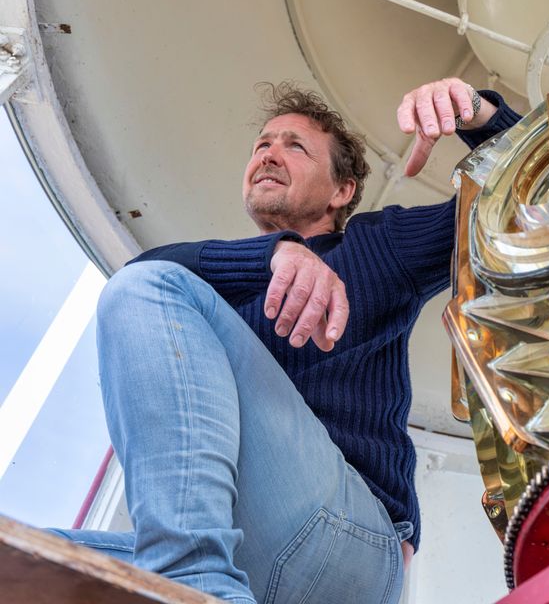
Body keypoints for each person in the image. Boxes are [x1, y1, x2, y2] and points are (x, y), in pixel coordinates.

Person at [50, 78, 520, 604]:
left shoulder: (376, 246)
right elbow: (142, 271)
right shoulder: (209, 293)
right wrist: (274, 253)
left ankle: (192, 584)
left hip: (344, 538)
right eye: (263, 144)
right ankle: (196, 579)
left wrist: (480, 114)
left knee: (145, 287)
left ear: (342, 192)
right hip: (234, 545)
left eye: (296, 146)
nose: (269, 155)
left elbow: (530, 194)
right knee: (21, 567)